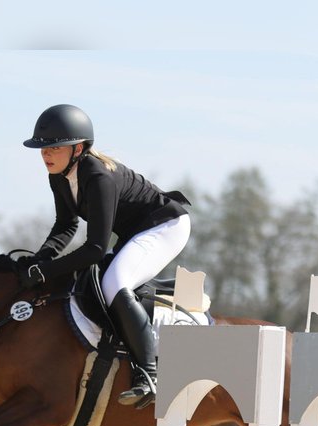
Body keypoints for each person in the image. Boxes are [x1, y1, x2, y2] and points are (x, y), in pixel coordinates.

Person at [18, 104, 191, 409]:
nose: (46, 154)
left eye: (54, 147)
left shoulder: (97, 176)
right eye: (43, 148)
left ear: (78, 148)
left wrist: (47, 272)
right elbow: (66, 224)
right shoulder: (59, 175)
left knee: (113, 283)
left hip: (165, 227)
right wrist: (41, 259)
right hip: (135, 232)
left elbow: (95, 248)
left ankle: (150, 376)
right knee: (92, 283)